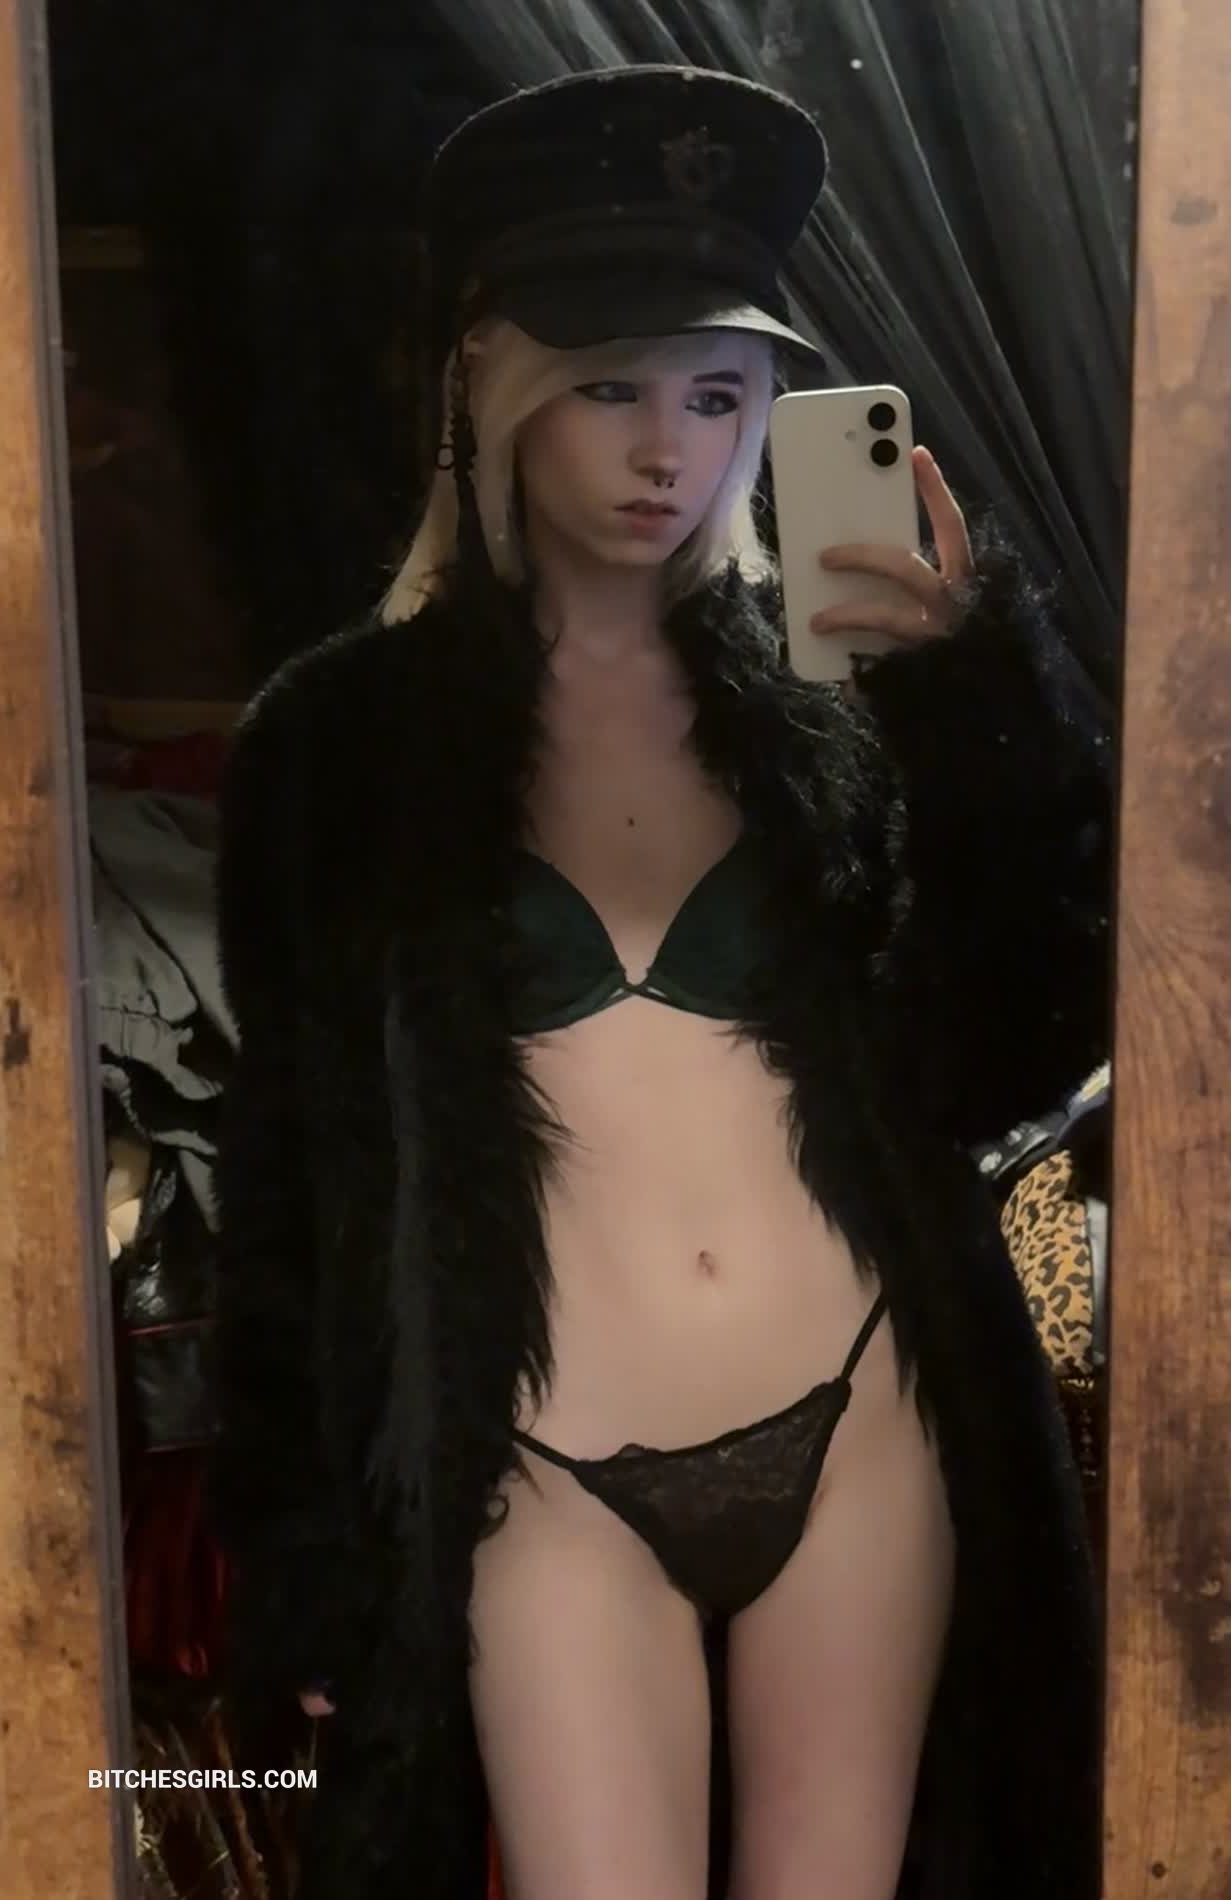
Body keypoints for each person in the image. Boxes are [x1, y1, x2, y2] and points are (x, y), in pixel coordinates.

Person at [208, 65, 1110, 1900]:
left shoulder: (848, 714)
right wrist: (297, 1544)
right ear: (490, 385)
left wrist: (979, 707)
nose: (667, 453)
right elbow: (289, 1162)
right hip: (541, 1466)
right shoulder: (340, 742)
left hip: (859, 1414)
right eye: (611, 386)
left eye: (717, 395)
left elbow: (1014, 1049)